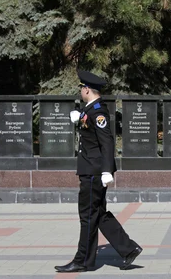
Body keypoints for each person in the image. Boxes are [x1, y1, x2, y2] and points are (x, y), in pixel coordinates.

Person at [55, 70, 142, 273]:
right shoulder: (91, 110)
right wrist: (81, 119)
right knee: (98, 214)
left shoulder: (98, 112)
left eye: (81, 88)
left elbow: (107, 141)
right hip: (91, 169)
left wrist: (106, 170)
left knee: (87, 215)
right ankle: (128, 249)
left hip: (93, 172)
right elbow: (92, 135)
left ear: (87, 89)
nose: (80, 91)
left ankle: (83, 260)